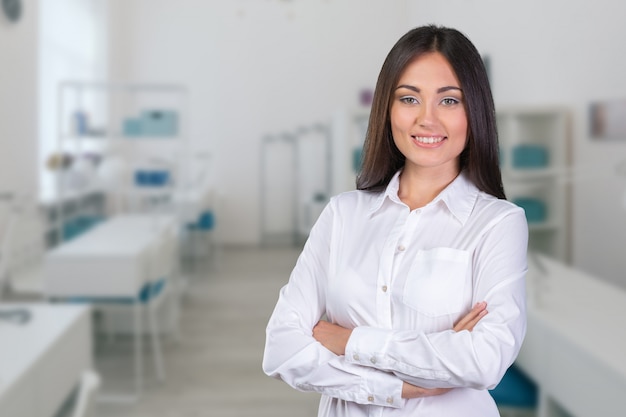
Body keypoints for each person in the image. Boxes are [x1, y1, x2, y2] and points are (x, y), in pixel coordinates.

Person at [262, 24, 528, 416]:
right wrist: (401, 385)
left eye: (449, 101)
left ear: (475, 111)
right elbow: (282, 348)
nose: (427, 119)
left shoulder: (497, 223)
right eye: (409, 98)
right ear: (387, 109)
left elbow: (485, 359)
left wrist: (348, 342)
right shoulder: (343, 214)